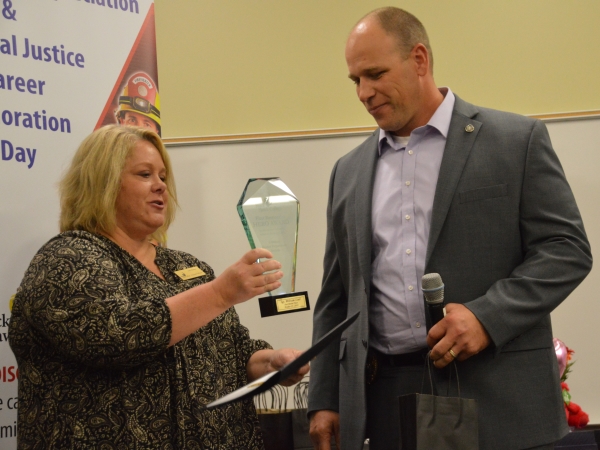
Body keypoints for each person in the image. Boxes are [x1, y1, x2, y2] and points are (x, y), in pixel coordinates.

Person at [307, 7, 592, 450]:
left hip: (497, 400)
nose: (364, 92)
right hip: (386, 402)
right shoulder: (348, 172)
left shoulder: (516, 141)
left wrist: (486, 317)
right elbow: (336, 296)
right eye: (355, 80)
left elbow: (566, 249)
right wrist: (325, 398)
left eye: (376, 74)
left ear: (419, 60)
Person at [8, 124, 309, 449]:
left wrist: (272, 363)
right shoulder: (67, 257)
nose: (160, 187)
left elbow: (233, 352)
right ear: (102, 182)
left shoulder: (184, 266)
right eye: (144, 174)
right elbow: (118, 337)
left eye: (163, 177)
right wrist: (220, 293)